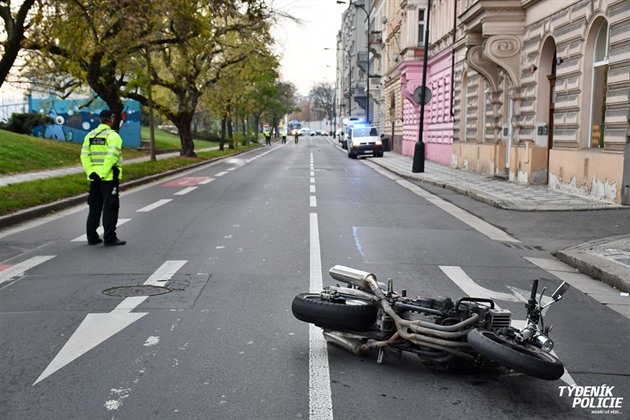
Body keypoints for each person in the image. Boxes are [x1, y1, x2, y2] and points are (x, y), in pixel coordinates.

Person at [80, 109, 126, 246]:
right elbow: (111, 157)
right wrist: (103, 173)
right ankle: (109, 238)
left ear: (100, 119)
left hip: (94, 179)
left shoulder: (90, 136)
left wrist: (92, 173)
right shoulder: (114, 136)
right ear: (111, 120)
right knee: (110, 207)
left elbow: (84, 156)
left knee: (94, 207)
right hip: (109, 179)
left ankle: (92, 237)